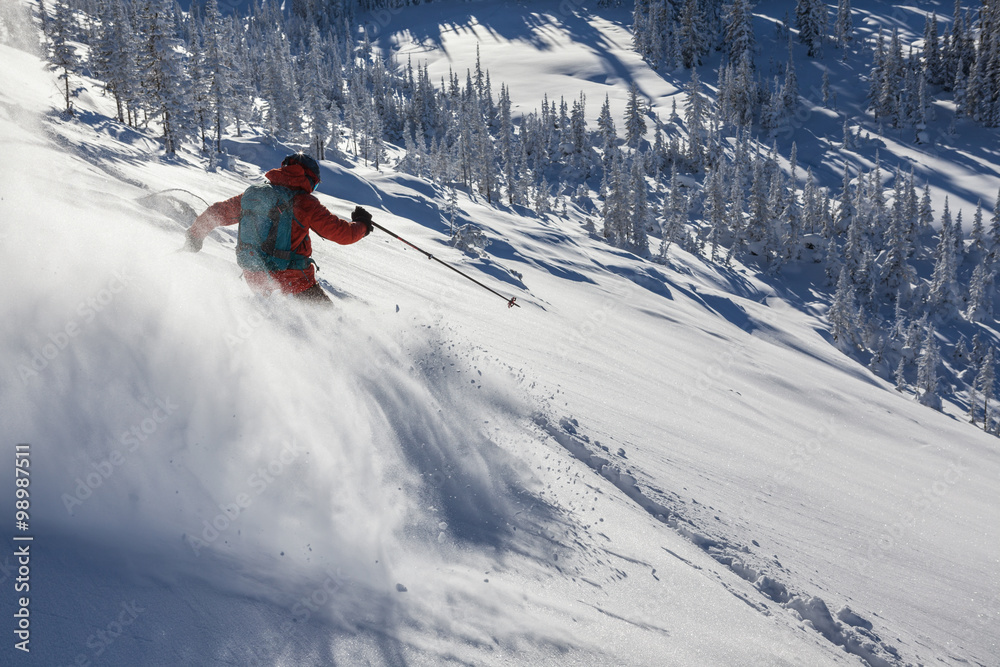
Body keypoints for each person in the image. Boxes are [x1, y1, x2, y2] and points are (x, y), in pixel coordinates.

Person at [182, 153, 373, 304]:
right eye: (314, 183)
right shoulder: (305, 202)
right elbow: (343, 234)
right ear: (309, 178)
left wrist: (194, 235)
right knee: (332, 327)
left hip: (257, 278)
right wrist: (362, 224)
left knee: (279, 326)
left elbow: (218, 212)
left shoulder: (255, 195)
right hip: (295, 282)